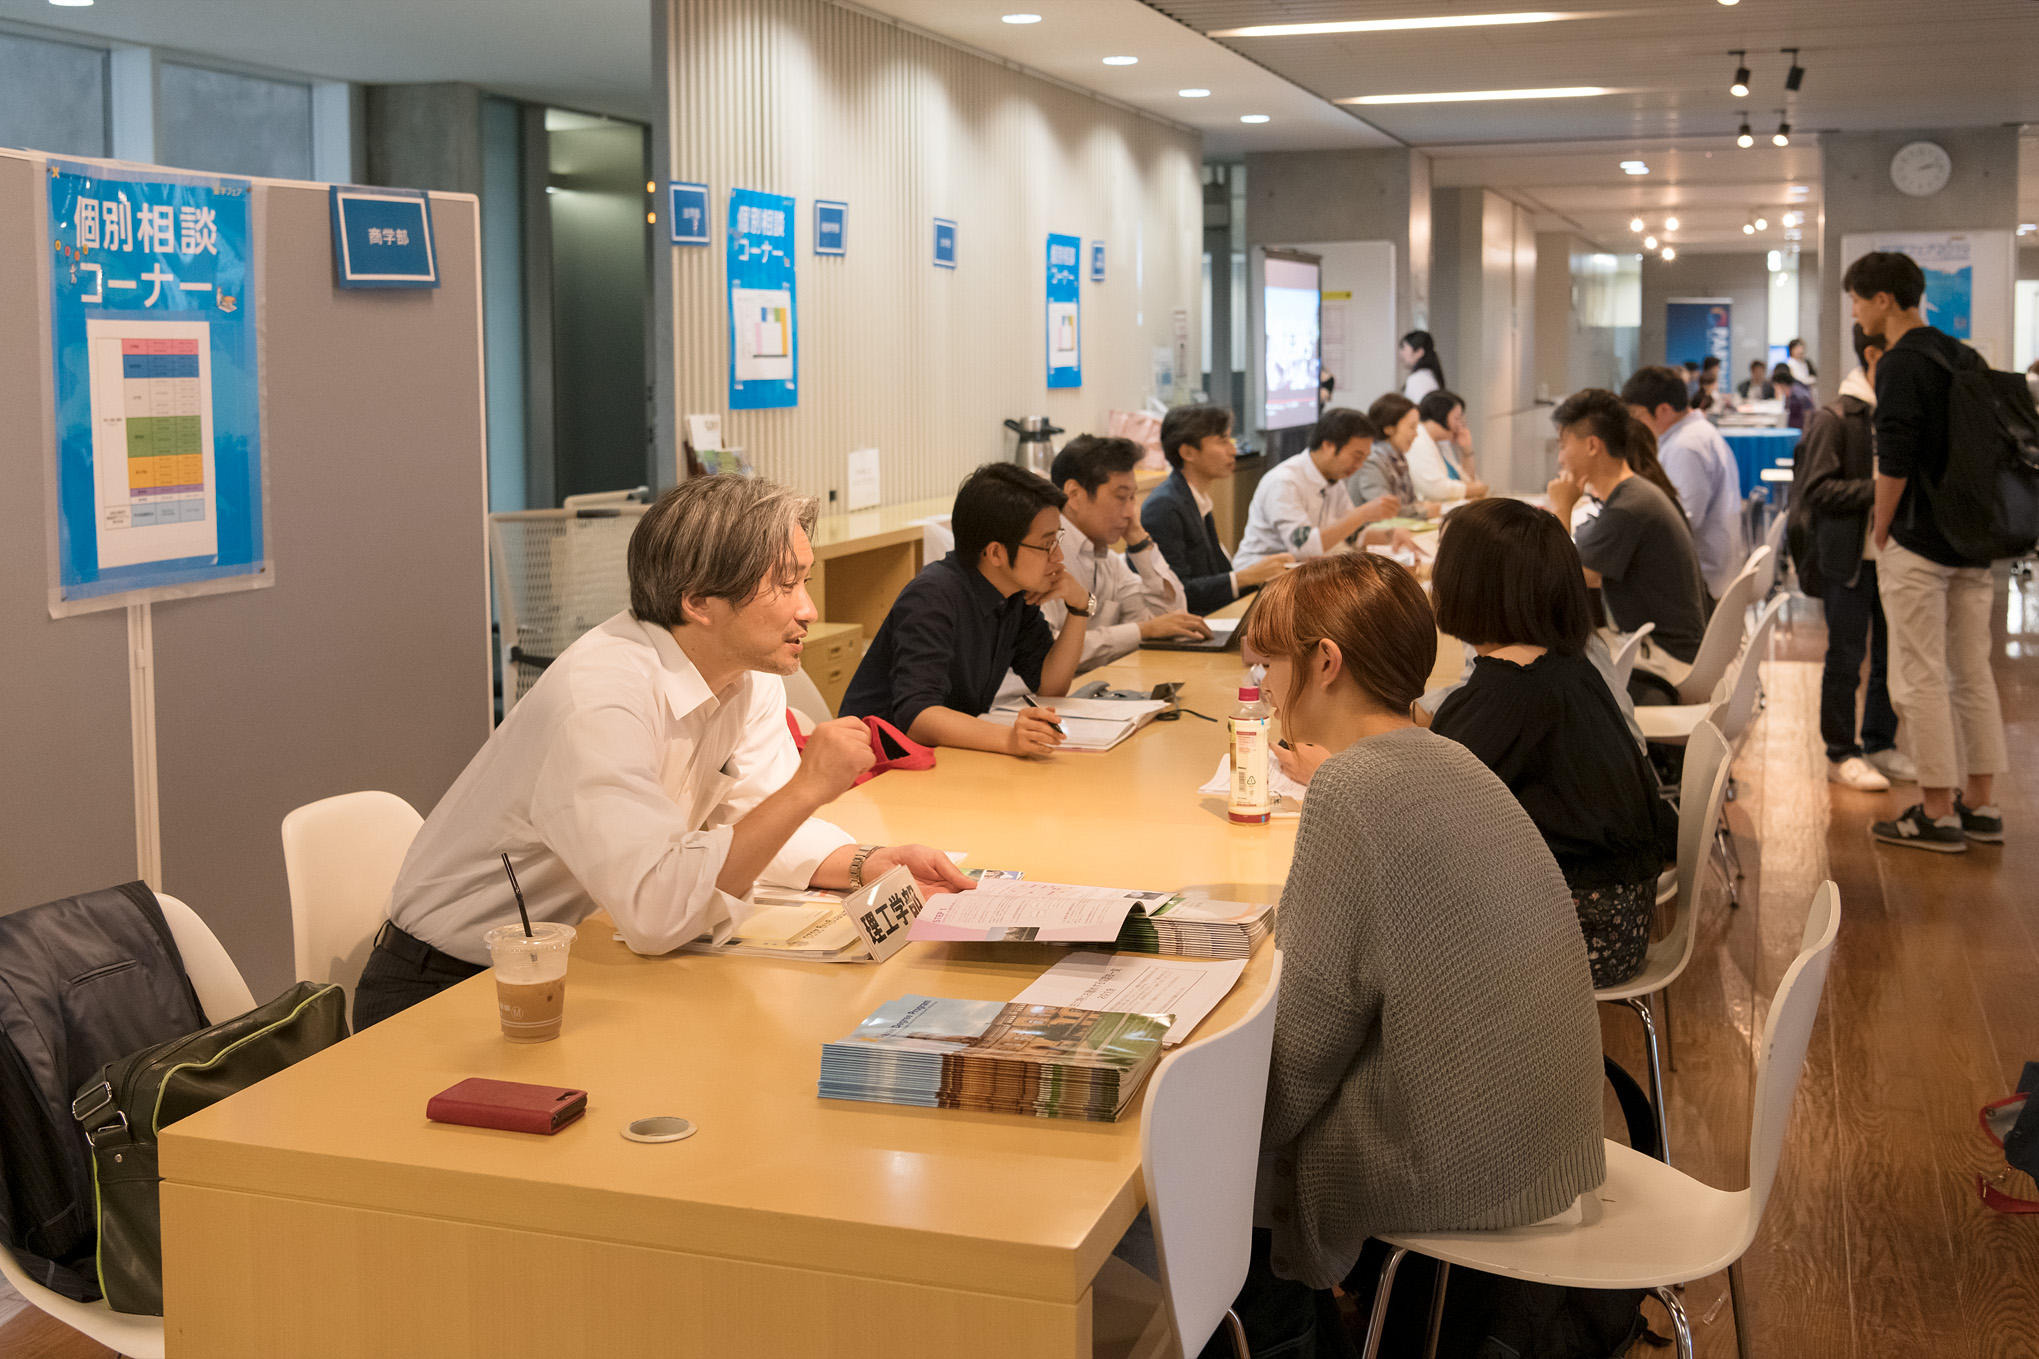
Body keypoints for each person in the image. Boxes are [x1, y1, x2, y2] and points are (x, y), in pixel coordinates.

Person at [360, 477, 973, 1030]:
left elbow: (755, 825)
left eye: (804, 581)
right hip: (451, 984)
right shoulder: (600, 700)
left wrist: (871, 863)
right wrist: (808, 786)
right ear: (699, 602)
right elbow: (658, 914)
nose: (808, 609)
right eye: (785, 585)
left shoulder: (746, 674)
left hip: (585, 954)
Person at [1219, 553, 1605, 1353]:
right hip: (1545, 1140)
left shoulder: (1350, 788)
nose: (1262, 687)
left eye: (1269, 664)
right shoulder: (1447, 753)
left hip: (1464, 1160)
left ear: (1324, 662)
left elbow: (1296, 1061)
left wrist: (1209, 1114)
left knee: (1216, 1159)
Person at [1425, 499, 1678, 988]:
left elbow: (1423, 805)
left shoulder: (1510, 691)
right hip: (1619, 913)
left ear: (1470, 586)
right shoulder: (1564, 662)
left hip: (1583, 931)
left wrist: (1332, 770)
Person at [1846, 250, 2008, 851]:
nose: (1856, 313)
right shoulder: (1964, 356)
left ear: (1883, 299)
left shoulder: (1899, 362)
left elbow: (1895, 456)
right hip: (1972, 539)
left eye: (1857, 301)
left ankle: (1937, 811)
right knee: (1972, 672)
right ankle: (1982, 804)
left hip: (1917, 539)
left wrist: (1881, 527)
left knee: (1919, 675)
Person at [839, 463, 1090, 758]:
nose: (1058, 557)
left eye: (1057, 540)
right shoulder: (932, 596)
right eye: (1047, 545)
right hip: (878, 764)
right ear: (996, 552)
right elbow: (918, 716)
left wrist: (1079, 607)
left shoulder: (1013, 595)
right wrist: (1009, 739)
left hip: (946, 756)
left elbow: (1050, 687)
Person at [1792, 322, 1914, 792]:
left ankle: (1880, 743)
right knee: (1845, 657)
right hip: (1848, 561)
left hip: (1896, 559)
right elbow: (1817, 490)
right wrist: (1881, 490)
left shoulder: (1898, 414)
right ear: (1875, 356)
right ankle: (1840, 751)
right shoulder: (1835, 417)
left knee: (1889, 657)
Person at [1546, 388, 1710, 700]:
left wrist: (1562, 507)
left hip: (1664, 659)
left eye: (1563, 444)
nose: (1560, 457)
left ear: (1592, 445)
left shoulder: (1628, 507)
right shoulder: (1635, 494)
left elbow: (1566, 578)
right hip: (1665, 647)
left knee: (1548, 674)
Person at [1038, 434, 1208, 668]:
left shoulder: (1107, 559)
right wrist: (1142, 631)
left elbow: (1171, 621)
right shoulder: (1040, 557)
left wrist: (1139, 543)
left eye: (1132, 497)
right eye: (1121, 497)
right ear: (1074, 495)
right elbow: (1046, 650)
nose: (1131, 512)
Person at [1139, 404, 1294, 615]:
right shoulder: (1164, 507)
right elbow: (1177, 592)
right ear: (1188, 452)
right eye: (1223, 441)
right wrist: (1248, 576)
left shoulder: (1194, 497)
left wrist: (1263, 575)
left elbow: (1216, 573)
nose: (1233, 450)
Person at [1622, 364, 1748, 600]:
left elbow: (1683, 522)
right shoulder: (1695, 433)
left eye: (1637, 416)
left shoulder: (1685, 447)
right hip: (1713, 568)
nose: (1635, 424)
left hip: (1703, 579)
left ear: (1663, 410)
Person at [1234, 407, 1414, 570]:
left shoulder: (1333, 477)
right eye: (1356, 456)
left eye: (1364, 458)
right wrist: (1363, 514)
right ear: (1328, 445)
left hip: (1302, 573)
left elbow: (1351, 535)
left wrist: (1390, 535)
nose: (1359, 465)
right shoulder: (1284, 481)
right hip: (1261, 580)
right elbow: (1304, 548)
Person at [1350, 392, 1439, 517]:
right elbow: (1385, 510)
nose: (1416, 434)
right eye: (1412, 427)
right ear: (1389, 429)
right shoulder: (1372, 461)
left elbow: (1410, 501)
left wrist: (1422, 507)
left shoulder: (1399, 458)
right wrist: (1422, 511)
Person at [1410, 389, 1491, 502]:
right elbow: (1436, 489)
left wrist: (1466, 450)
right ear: (1441, 415)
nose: (1460, 425)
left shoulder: (1441, 444)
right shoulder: (1417, 440)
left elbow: (1468, 481)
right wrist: (1475, 489)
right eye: (1457, 418)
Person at [1399, 328, 1445, 402]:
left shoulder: (1418, 379)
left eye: (1403, 348)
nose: (1401, 353)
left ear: (1419, 352)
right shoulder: (1427, 375)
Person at [1776, 364, 1816, 430]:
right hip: (1806, 425)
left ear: (1781, 384)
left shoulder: (1795, 394)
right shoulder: (1797, 386)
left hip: (1801, 427)